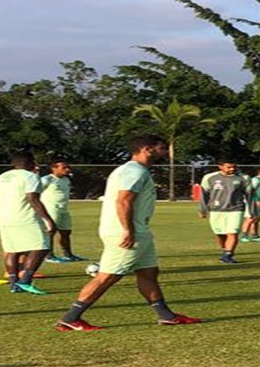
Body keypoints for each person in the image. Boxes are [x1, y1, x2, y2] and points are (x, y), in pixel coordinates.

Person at [56, 134, 201, 331]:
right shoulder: (134, 171)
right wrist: (128, 231)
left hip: (139, 230)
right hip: (126, 232)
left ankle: (166, 316)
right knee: (108, 276)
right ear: (147, 149)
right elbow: (123, 201)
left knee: (148, 273)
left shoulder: (137, 170)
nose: (166, 152)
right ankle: (71, 318)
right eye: (163, 148)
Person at [0, 152, 55, 296]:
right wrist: (48, 219)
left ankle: (14, 284)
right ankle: (25, 280)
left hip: (6, 219)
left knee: (13, 250)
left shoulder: (2, 177)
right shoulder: (30, 176)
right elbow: (32, 198)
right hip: (25, 218)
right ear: (30, 162)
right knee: (42, 246)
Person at [198, 158, 249, 264]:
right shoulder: (209, 177)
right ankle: (224, 249)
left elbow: (249, 194)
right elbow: (203, 194)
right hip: (216, 209)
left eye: (234, 166)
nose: (232, 169)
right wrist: (202, 209)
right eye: (229, 167)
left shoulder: (243, 178)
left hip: (236, 209)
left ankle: (228, 254)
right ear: (220, 166)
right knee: (219, 234)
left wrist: (252, 210)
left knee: (233, 232)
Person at [41, 159, 86, 263]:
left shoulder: (66, 179)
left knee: (66, 232)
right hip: (51, 208)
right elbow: (35, 194)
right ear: (54, 168)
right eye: (64, 167)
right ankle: (49, 255)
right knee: (51, 232)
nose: (68, 169)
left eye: (68, 167)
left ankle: (68, 255)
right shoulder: (47, 179)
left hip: (64, 209)